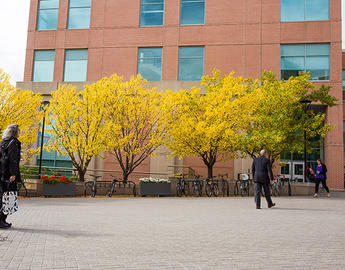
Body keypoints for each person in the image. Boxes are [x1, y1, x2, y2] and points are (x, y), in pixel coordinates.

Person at [0, 124, 21, 229]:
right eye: (18, 131)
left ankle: (2, 220)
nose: (19, 132)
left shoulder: (3, 141)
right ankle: (2, 220)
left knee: (2, 196)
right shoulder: (14, 143)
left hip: (2, 173)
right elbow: (13, 160)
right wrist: (13, 174)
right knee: (8, 196)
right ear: (14, 132)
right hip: (8, 174)